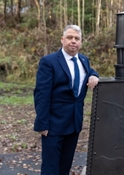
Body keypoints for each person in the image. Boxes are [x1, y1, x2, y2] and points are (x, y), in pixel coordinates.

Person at [33, 25, 99, 175]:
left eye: (77, 38)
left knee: (65, 166)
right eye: (69, 38)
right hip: (53, 124)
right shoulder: (49, 62)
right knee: (50, 168)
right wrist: (42, 123)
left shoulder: (83, 60)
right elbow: (41, 95)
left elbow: (89, 71)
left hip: (74, 123)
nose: (73, 41)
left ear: (81, 42)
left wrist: (94, 75)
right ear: (62, 40)